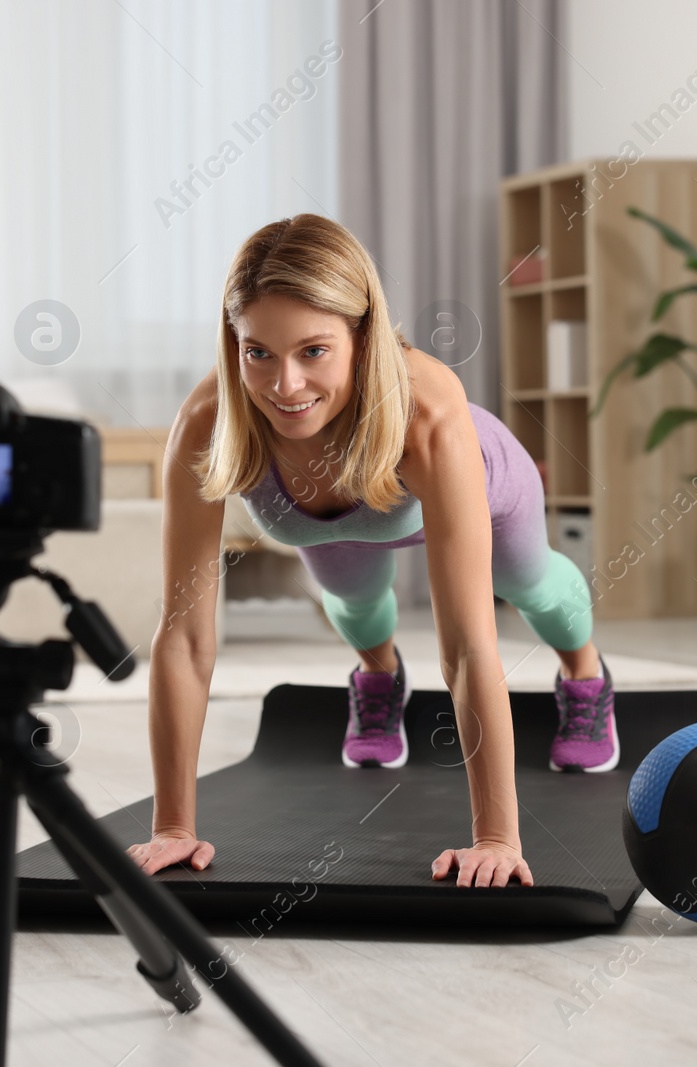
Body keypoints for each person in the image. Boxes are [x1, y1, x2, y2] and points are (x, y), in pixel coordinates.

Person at [127, 214, 614, 890]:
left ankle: (585, 674)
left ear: (363, 334)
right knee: (354, 604)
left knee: (527, 581)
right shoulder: (209, 420)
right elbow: (182, 637)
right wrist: (173, 827)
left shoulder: (427, 413)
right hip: (339, 521)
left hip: (485, 490)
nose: (284, 386)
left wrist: (496, 838)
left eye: (313, 351)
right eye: (258, 351)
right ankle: (379, 678)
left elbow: (469, 644)